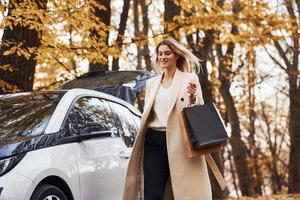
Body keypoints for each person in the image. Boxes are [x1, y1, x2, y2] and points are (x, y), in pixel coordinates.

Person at [123, 38, 212, 200]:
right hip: (154, 140)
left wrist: (192, 97)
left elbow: (197, 111)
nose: (163, 57)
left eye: (167, 53)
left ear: (176, 55)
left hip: (180, 141)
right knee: (152, 193)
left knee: (186, 192)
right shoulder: (151, 83)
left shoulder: (189, 79)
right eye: (160, 54)